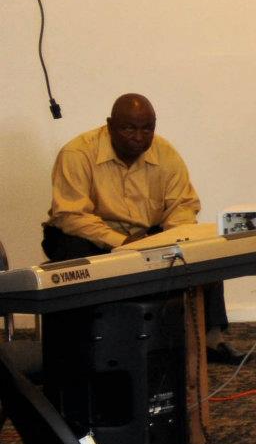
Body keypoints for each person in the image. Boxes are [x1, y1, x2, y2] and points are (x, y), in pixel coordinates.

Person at [44, 94, 235, 360]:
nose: (138, 137)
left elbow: (182, 204)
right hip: (90, 235)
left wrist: (176, 237)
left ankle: (211, 340)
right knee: (73, 255)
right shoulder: (77, 153)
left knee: (200, 250)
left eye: (147, 129)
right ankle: (86, 346)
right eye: (128, 128)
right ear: (110, 126)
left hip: (147, 234)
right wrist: (120, 242)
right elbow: (70, 215)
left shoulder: (165, 153)